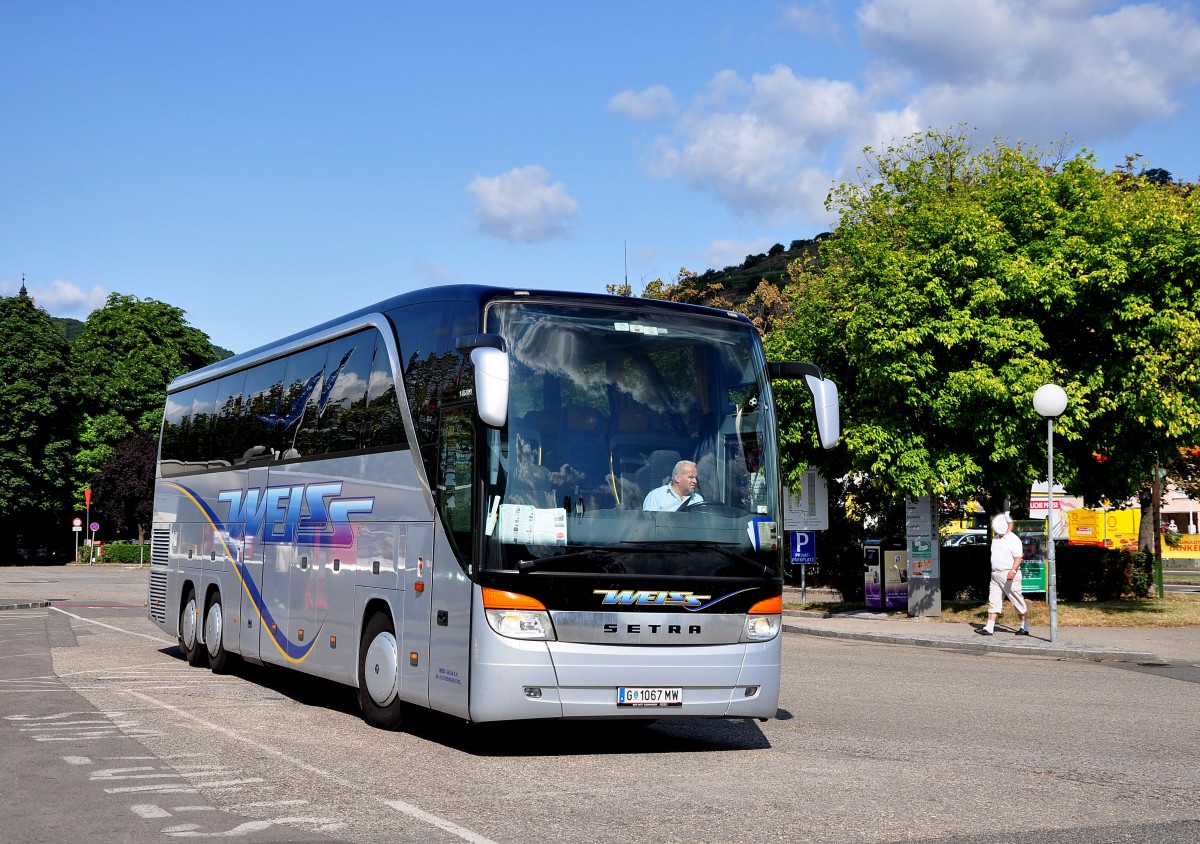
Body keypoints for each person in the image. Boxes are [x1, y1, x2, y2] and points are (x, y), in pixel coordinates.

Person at [977, 513, 1029, 636]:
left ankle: (1024, 627)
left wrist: (1013, 571)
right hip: (995, 574)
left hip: (1009, 574)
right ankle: (989, 627)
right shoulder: (995, 539)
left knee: (1017, 599)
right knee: (994, 600)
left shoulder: (1014, 539)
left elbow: (1018, 557)